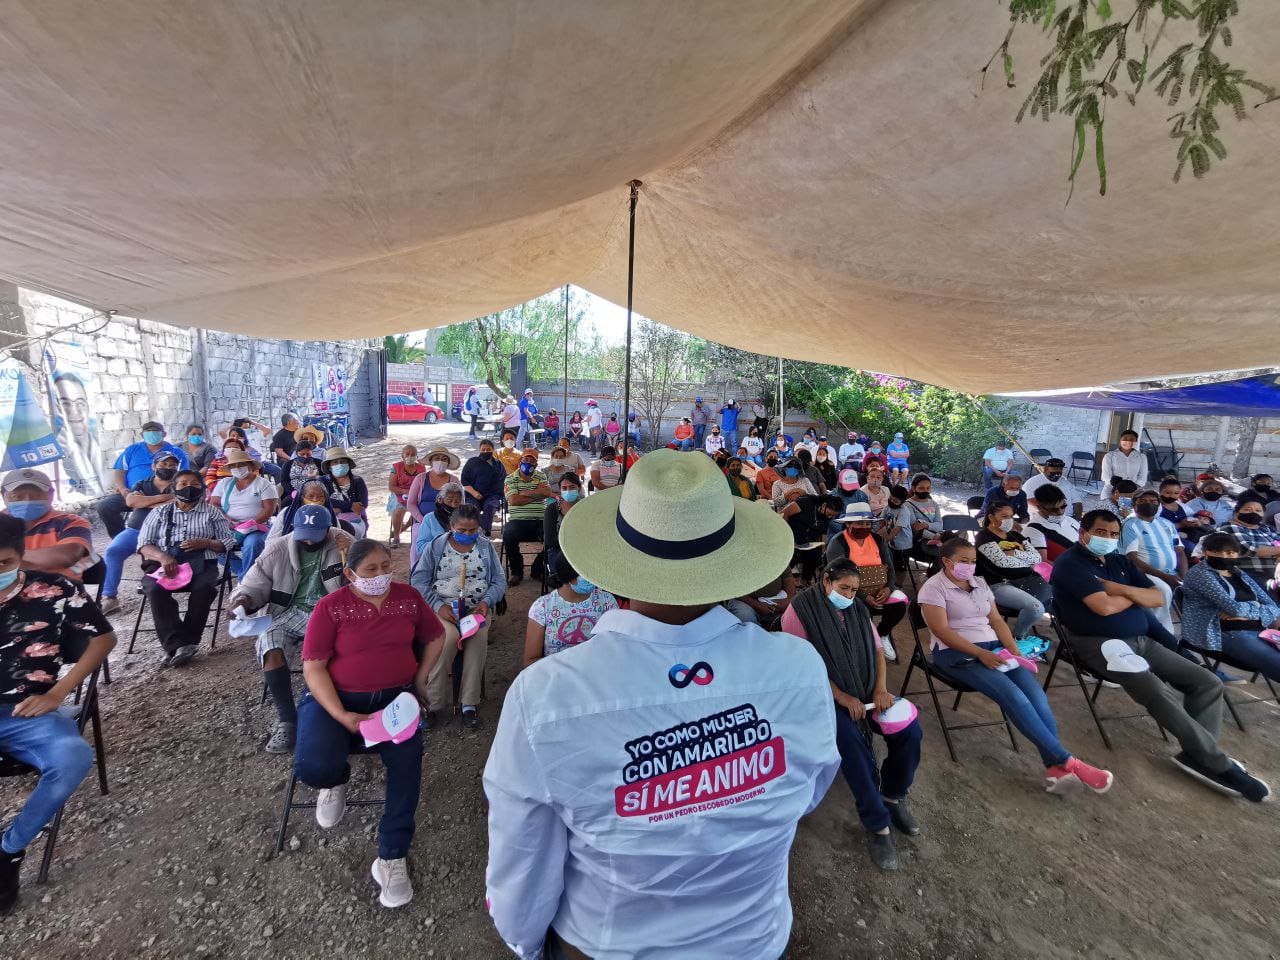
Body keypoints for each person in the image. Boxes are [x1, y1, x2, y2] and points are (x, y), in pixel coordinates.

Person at [483, 450, 839, 959]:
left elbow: (522, 863)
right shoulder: (799, 669)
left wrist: (527, 943)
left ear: (614, 564)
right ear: (734, 556)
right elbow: (805, 792)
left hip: (607, 944)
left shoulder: (547, 696)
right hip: (755, 938)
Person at [1051, 510, 1270, 801]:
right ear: (1083, 533)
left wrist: (1119, 590)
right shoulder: (1070, 564)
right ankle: (1217, 763)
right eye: (1101, 532)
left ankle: (1198, 754)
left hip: (1142, 639)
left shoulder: (1118, 561)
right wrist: (1134, 596)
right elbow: (1103, 607)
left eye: (1114, 534)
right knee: (1156, 691)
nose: (1108, 538)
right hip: (1099, 643)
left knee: (1207, 682)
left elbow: (1157, 597)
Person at [296, 538, 445, 908]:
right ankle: (335, 781)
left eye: (386, 566)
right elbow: (314, 668)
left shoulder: (409, 598)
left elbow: (436, 636)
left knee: (407, 765)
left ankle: (392, 855)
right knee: (314, 767)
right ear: (350, 574)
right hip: (337, 700)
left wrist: (420, 678)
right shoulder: (331, 607)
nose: (381, 575)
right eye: (371, 569)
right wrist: (341, 714)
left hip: (395, 701)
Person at [919, 539, 1113, 794]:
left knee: (1036, 695)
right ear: (946, 561)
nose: (970, 566)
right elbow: (941, 631)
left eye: (973, 561)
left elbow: (997, 621)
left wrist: (1013, 650)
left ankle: (1055, 768)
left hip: (994, 647)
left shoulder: (979, 583)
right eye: (964, 561)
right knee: (1013, 696)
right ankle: (1067, 761)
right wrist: (980, 653)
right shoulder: (934, 588)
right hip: (956, 653)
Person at [0, 514, 115, 915]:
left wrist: (58, 693)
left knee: (72, 757)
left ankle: (9, 850)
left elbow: (104, 638)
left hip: (25, 711)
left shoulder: (54, 589)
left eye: (3, 562)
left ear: (21, 556)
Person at [781, 558, 922, 871]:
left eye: (854, 590)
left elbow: (877, 652)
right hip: (823, 696)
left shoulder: (858, 609)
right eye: (843, 588)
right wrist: (842, 697)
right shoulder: (800, 611)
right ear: (826, 581)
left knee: (909, 730)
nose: (848, 595)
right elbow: (803, 666)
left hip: (867, 690)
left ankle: (893, 795)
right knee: (850, 744)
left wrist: (880, 690)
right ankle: (878, 824)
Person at [227, 504, 345, 753]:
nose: (309, 542)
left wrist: (349, 559)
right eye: (304, 536)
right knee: (270, 644)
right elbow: (252, 584)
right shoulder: (277, 549)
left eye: (316, 536)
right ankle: (287, 719)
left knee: (346, 647)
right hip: (288, 612)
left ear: (328, 529)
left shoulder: (343, 543)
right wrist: (242, 602)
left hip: (332, 614)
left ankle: (334, 711)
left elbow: (363, 579)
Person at [410, 504, 505, 730]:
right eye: (462, 530)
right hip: (443, 609)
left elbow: (498, 580)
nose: (468, 535)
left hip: (476, 610)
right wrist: (438, 605)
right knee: (448, 638)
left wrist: (486, 602)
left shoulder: (485, 547)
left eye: (473, 530)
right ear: (451, 527)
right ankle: (432, 704)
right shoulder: (436, 546)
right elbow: (418, 581)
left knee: (478, 639)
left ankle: (469, 704)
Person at [137, 470, 237, 666]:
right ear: (174, 488)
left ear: (202, 488)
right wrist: (163, 557)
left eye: (195, 484)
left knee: (204, 588)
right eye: (183, 484)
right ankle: (176, 645)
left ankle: (187, 642)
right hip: (164, 563)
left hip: (202, 562)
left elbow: (228, 541)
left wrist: (207, 542)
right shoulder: (159, 512)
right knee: (155, 589)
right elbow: (144, 544)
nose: (189, 488)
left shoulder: (212, 512)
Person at [1182, 532, 1280, 684]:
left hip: (1258, 629)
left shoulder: (1238, 572)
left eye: (1231, 552)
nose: (1225, 555)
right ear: (1206, 552)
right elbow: (1233, 609)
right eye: (1218, 551)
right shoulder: (1199, 574)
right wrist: (1256, 609)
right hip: (1221, 631)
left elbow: (1273, 607)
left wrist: (1247, 614)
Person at [99, 452, 179, 613]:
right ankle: (109, 597)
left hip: (165, 533)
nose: (168, 467)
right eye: (163, 464)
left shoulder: (180, 484)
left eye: (172, 465)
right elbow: (131, 501)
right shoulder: (142, 483)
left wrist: (145, 502)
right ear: (154, 466)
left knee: (162, 558)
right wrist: (165, 498)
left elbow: (179, 503)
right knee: (113, 551)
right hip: (136, 529)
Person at [824, 502, 905, 656]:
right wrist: (864, 596)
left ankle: (881, 634)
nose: (865, 527)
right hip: (850, 592)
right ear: (848, 524)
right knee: (859, 610)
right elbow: (837, 576)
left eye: (868, 523)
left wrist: (888, 588)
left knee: (899, 605)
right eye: (860, 523)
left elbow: (890, 567)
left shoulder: (878, 540)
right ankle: (864, 642)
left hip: (879, 590)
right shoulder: (838, 542)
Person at [523, 553, 619, 668]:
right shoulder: (542, 607)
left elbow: (616, 645)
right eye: (585, 574)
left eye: (593, 573)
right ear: (567, 575)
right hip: (558, 674)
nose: (592, 579)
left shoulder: (607, 601)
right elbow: (530, 661)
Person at [975, 500, 1051, 641]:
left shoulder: (1016, 536)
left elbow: (1037, 558)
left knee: (1056, 599)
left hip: (1027, 581)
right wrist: (1025, 560)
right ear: (991, 517)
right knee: (1035, 608)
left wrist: (1015, 553)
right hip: (999, 584)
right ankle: (1018, 638)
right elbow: (1003, 563)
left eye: (1011, 516)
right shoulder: (984, 537)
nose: (1009, 520)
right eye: (1004, 516)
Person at [99, 421, 188, 538]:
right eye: (148, 432)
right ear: (142, 435)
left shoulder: (176, 452)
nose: (152, 434)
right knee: (105, 506)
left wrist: (146, 502)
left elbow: (184, 476)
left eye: (155, 432)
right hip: (134, 492)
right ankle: (120, 537)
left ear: (164, 434)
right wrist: (123, 489)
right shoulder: (132, 450)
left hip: (166, 491)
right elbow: (120, 471)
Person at [1, 470, 93, 583]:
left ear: (51, 495)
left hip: (58, 588)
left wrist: (8, 559)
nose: (27, 501)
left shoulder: (70, 522)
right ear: (3, 496)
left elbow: (65, 556)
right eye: (17, 496)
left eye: (37, 495)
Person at [1120, 488, 1186, 632]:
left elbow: (1179, 551)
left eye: (1153, 501)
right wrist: (1165, 577)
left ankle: (1192, 635)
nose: (1148, 504)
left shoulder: (1167, 524)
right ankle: (1163, 633)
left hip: (1171, 573)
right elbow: (1132, 559)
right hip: (1144, 573)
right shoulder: (1130, 524)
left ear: (1158, 504)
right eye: (1142, 501)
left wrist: (1183, 575)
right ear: (1134, 505)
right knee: (1162, 591)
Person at [209, 449, 278, 577]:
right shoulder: (224, 483)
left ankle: (246, 581)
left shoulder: (263, 484)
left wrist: (249, 525)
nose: (237, 468)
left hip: (257, 527)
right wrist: (226, 519)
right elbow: (214, 505)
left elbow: (269, 510)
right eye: (233, 466)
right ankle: (248, 577)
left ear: (250, 465)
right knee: (213, 545)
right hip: (229, 527)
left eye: (241, 465)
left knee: (252, 544)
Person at [502, 449, 552, 586]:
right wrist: (537, 494)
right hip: (518, 521)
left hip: (540, 520)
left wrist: (526, 493)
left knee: (554, 536)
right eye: (526, 459)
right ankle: (516, 571)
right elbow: (513, 500)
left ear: (536, 464)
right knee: (508, 535)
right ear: (520, 462)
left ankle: (537, 568)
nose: (528, 462)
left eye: (532, 460)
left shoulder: (540, 476)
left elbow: (547, 493)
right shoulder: (510, 478)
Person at [782, 493, 843, 582]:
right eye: (829, 513)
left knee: (815, 556)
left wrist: (822, 549)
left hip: (806, 543)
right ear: (824, 505)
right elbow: (784, 514)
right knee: (792, 555)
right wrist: (787, 535)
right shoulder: (805, 502)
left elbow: (822, 534)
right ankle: (782, 580)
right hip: (789, 538)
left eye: (832, 516)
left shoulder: (825, 517)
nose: (829, 517)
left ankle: (805, 582)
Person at [406, 446, 460, 541]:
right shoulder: (420, 478)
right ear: (431, 462)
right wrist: (423, 521)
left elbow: (460, 504)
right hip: (421, 522)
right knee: (419, 543)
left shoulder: (454, 480)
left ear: (448, 463)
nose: (440, 461)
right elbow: (411, 503)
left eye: (444, 459)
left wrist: (451, 523)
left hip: (447, 524)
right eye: (437, 458)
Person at [1024, 483, 1080, 564]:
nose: (1060, 512)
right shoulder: (1033, 529)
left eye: (1063, 506)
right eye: (1054, 509)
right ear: (1039, 507)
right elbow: (1042, 563)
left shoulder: (1071, 521)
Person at [461, 439, 506, 537]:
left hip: (492, 496)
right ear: (480, 450)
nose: (485, 451)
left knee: (490, 506)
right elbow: (464, 480)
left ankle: (484, 532)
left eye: (488, 449)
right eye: (483, 449)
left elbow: (503, 481)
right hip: (473, 495)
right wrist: (474, 493)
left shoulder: (498, 464)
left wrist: (497, 494)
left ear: (493, 450)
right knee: (472, 509)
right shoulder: (472, 462)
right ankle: (473, 531)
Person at [543, 473, 583, 582]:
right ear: (560, 490)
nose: (568, 491)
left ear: (579, 488)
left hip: (583, 551)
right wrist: (574, 543)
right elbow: (550, 540)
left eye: (572, 487)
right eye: (564, 488)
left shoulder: (586, 507)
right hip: (559, 551)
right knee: (565, 579)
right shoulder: (552, 509)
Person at [410, 483, 464, 562]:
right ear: (440, 500)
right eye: (449, 501)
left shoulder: (466, 518)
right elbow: (420, 548)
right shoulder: (430, 519)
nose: (453, 505)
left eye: (457, 502)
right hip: (437, 561)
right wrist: (444, 544)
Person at [900, 473, 943, 565]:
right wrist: (935, 536)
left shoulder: (934, 504)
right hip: (918, 543)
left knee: (952, 550)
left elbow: (940, 525)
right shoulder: (907, 505)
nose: (925, 491)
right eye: (921, 488)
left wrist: (926, 525)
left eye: (928, 488)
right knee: (946, 552)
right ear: (914, 488)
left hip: (936, 537)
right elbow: (915, 529)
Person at [386, 445, 424, 548]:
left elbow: (423, 484)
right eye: (407, 454)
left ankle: (403, 528)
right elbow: (391, 487)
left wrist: (413, 492)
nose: (410, 457)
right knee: (399, 509)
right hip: (399, 493)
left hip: (416, 494)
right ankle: (396, 536)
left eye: (413, 454)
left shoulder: (421, 468)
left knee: (420, 509)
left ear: (416, 456)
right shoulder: (396, 467)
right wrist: (405, 491)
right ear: (402, 456)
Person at [1180, 476, 1235, 545]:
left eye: (1217, 489)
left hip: (1226, 533)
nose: (1213, 491)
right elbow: (1189, 520)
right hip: (1203, 535)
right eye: (1209, 489)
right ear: (1202, 491)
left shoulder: (1224, 503)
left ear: (1222, 492)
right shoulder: (1195, 503)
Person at [1100, 429, 1148, 498]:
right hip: (1111, 491)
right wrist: (1119, 489)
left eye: (1132, 439)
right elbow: (1107, 477)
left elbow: (1142, 479)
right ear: (1120, 440)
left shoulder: (1142, 457)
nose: (1128, 441)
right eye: (1125, 439)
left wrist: (1130, 490)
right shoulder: (1109, 456)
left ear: (1136, 442)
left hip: (1133, 492)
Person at [281, 435, 323, 502]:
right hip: (294, 493)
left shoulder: (319, 463)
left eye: (308, 454)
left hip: (315, 492)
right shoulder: (288, 464)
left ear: (312, 452)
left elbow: (324, 478)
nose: (305, 456)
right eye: (302, 454)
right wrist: (292, 492)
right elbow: (284, 481)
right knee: (286, 504)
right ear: (297, 453)